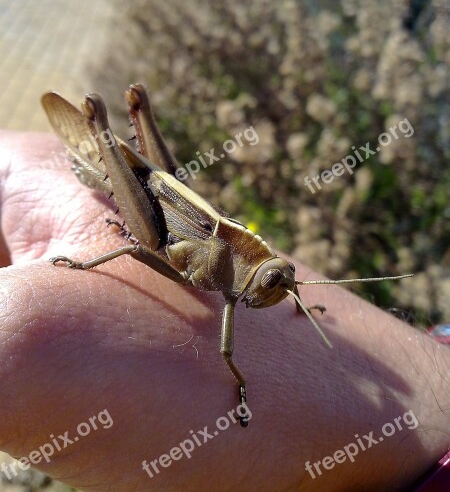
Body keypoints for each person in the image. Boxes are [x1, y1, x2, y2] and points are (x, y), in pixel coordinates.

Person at [0, 131, 448, 491]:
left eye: (281, 284)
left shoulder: (244, 269)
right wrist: (81, 267)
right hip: (140, 202)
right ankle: (100, 126)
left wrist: (297, 297)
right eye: (278, 282)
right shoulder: (221, 260)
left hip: (164, 199)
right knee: (144, 246)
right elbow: (146, 258)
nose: (278, 291)